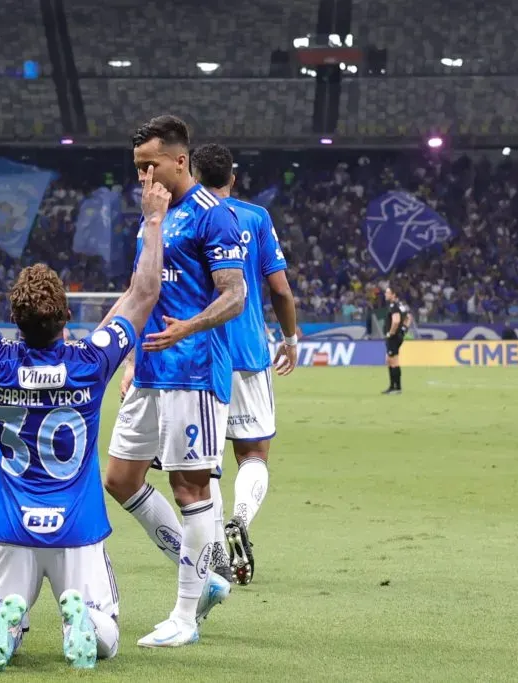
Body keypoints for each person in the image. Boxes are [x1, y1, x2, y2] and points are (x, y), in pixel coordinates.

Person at [0, 165, 169, 672]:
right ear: (64, 319)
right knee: (108, 636)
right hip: (77, 526)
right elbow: (143, 295)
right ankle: (84, 625)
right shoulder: (90, 362)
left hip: (10, 526)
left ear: (15, 318)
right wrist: (154, 220)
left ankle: (4, 628)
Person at [99, 115, 247, 648]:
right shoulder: (152, 216)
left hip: (194, 370)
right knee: (119, 480)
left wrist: (189, 325)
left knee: (190, 487)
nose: (142, 177)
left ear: (179, 160)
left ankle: (186, 615)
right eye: (137, 168)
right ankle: (204, 573)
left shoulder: (215, 216)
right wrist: (106, 346)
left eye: (150, 166)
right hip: (150, 368)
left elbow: (236, 294)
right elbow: (141, 289)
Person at [191, 143, 299, 586]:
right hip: (250, 352)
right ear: (233, 177)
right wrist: (290, 338)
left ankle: (215, 543)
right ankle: (240, 519)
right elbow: (280, 290)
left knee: (206, 464)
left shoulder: (187, 217)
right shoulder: (255, 217)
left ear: (194, 176)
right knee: (253, 454)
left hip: (200, 355)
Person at [383, 286, 410, 394]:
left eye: (387, 292)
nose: (385, 294)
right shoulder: (400, 305)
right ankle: (393, 386)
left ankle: (396, 387)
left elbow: (396, 321)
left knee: (393, 361)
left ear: (393, 295)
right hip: (398, 336)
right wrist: (404, 330)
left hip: (393, 337)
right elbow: (408, 318)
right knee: (390, 360)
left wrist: (391, 333)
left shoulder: (394, 306)